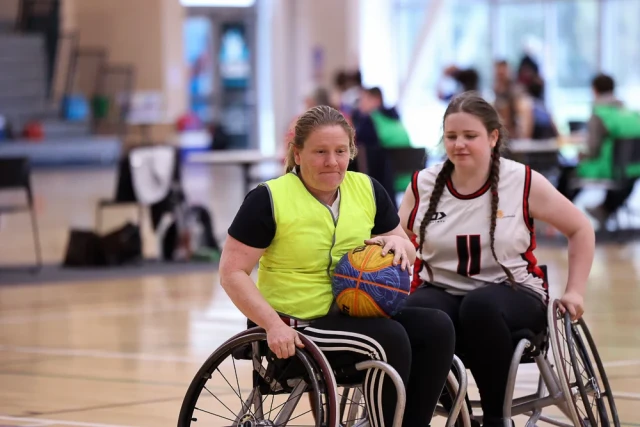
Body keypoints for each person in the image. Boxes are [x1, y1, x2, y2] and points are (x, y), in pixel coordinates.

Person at [219, 105, 455, 427]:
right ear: (297, 154)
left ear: (351, 152)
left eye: (340, 151)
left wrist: (402, 245)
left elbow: (404, 246)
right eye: (320, 152)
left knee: (437, 326)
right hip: (297, 325)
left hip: (353, 315)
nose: (332, 161)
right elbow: (232, 272)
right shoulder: (267, 199)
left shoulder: (367, 189)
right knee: (389, 337)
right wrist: (273, 325)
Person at [398, 92, 595, 427]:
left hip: (514, 291)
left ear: (492, 137)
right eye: (452, 136)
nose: (459, 144)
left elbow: (580, 229)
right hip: (442, 289)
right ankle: (447, 411)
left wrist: (575, 291)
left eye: (470, 136)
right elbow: (399, 239)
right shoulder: (424, 184)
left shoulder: (521, 180)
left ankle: (495, 418)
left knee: (479, 306)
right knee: (417, 315)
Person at [556, 73, 640, 228]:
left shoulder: (599, 114)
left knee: (568, 172)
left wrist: (582, 155)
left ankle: (557, 216)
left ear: (594, 90)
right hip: (632, 171)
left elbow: (593, 150)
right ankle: (603, 210)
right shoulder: (631, 115)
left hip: (608, 170)